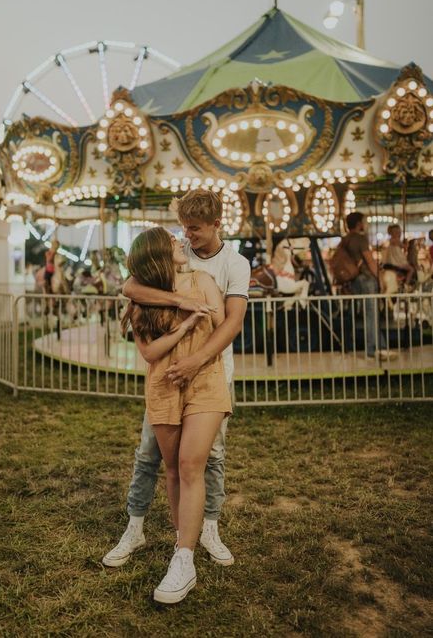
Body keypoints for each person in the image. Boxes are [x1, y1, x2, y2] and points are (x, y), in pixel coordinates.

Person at [103, 189, 250, 572]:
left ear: (217, 224)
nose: (187, 236)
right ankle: (138, 527)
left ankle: (208, 529)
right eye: (183, 229)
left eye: (195, 229)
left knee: (207, 458)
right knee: (148, 454)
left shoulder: (233, 264)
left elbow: (231, 321)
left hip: (211, 372)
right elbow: (131, 287)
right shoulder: (171, 262)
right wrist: (179, 302)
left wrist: (197, 359)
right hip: (167, 378)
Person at [120, 227, 232, 603]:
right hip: (164, 386)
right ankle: (179, 539)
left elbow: (223, 326)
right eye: (171, 241)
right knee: (170, 469)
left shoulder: (202, 279)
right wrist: (181, 310)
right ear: (157, 256)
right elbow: (149, 353)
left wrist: (198, 352)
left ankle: (185, 559)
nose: (180, 242)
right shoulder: (142, 298)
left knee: (189, 464)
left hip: (205, 381)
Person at [343, 212, 395, 360]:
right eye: (363, 222)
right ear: (359, 223)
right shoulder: (360, 239)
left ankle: (380, 346)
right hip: (366, 278)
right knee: (371, 314)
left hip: (354, 280)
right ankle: (373, 349)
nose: (365, 224)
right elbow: (370, 261)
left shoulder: (346, 240)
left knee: (360, 314)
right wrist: (380, 279)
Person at [383, 224, 414, 288]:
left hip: (392, 260)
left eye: (399, 232)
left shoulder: (391, 240)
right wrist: (407, 243)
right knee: (411, 269)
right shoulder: (396, 240)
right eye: (397, 232)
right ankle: (406, 284)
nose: (399, 233)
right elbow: (405, 247)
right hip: (396, 261)